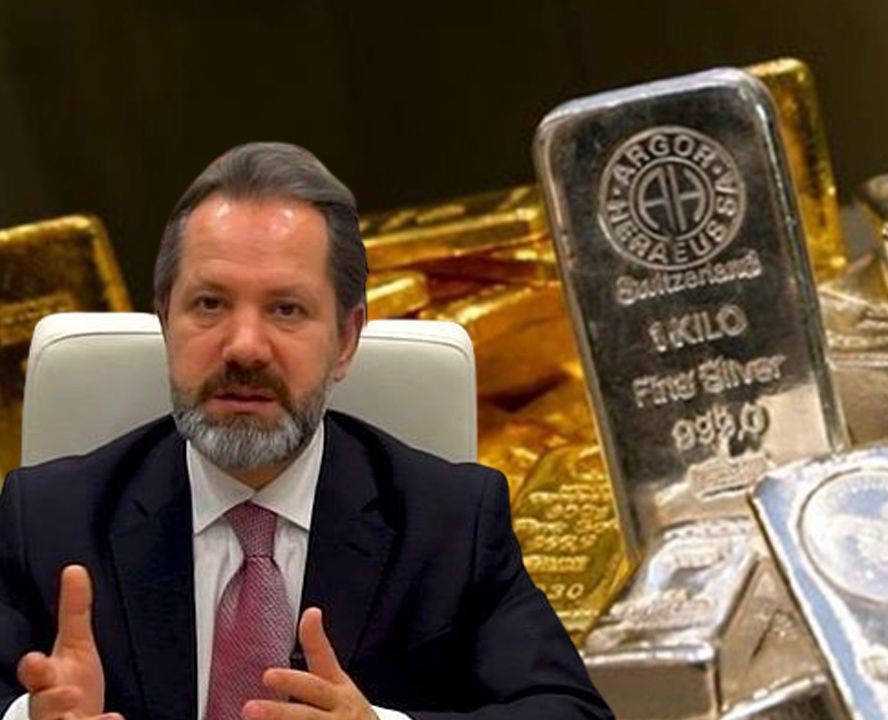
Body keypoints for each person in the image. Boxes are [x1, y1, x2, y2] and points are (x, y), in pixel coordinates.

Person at [0, 143, 613, 720]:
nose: (244, 347)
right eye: (210, 304)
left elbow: (572, 712)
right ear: (165, 320)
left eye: (285, 309)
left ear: (345, 341)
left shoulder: (450, 523)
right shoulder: (49, 521)